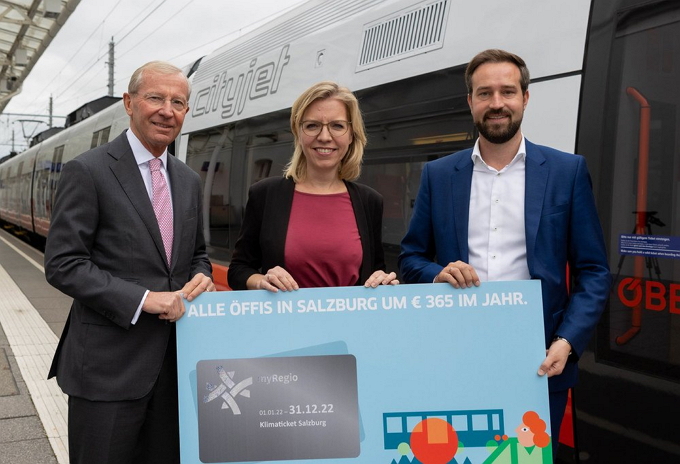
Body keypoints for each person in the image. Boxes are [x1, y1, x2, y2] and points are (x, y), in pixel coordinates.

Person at [399, 49, 611, 450]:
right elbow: (410, 258)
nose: (496, 103)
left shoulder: (567, 172)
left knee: (525, 456)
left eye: (507, 92)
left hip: (540, 361)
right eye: (485, 93)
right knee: (458, 453)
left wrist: (567, 341)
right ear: (470, 101)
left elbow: (594, 271)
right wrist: (437, 273)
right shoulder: (438, 175)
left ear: (525, 98)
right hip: (453, 356)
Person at [45, 61, 215, 464]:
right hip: (107, 370)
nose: (167, 111)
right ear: (129, 103)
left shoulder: (188, 180)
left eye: (178, 102)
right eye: (156, 98)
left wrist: (201, 277)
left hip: (175, 368)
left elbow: (197, 254)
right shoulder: (88, 170)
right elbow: (63, 263)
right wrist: (143, 299)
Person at [227, 81, 398, 291]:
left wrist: (382, 281)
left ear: (351, 134)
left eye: (337, 126)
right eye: (312, 126)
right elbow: (238, 270)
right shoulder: (265, 195)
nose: (324, 137)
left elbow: (375, 272)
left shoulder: (369, 201)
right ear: (298, 133)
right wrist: (260, 281)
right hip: (285, 314)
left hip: (348, 314)